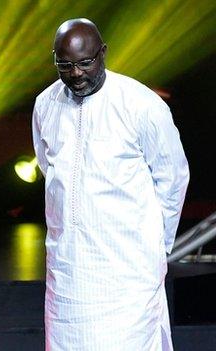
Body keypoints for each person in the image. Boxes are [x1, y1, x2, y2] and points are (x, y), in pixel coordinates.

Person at [32, 18, 190, 350]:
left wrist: (156, 247)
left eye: (85, 63)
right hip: (69, 269)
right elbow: (50, 169)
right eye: (65, 65)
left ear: (103, 53)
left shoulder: (140, 104)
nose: (76, 74)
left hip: (128, 271)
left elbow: (173, 177)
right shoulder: (46, 104)